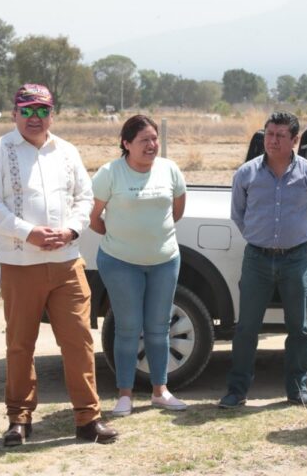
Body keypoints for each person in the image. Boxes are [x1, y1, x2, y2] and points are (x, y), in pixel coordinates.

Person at [0, 84, 117, 446]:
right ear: (14, 113)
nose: (35, 118)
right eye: (27, 110)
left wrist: (71, 230)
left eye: (42, 111)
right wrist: (28, 233)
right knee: (20, 344)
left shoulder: (67, 151)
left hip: (67, 263)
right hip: (19, 263)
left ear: (52, 114)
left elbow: (84, 198)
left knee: (79, 342)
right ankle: (19, 419)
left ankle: (88, 418)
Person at [218, 111, 307, 410]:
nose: (273, 140)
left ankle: (298, 389)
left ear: (295, 140)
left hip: (296, 259)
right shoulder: (247, 174)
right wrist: (259, 237)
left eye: (281, 135)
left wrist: (297, 237)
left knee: (298, 327)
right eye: (269, 134)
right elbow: (238, 214)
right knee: (247, 328)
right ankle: (237, 390)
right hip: (256, 258)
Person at [89, 114, 188, 416]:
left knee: (159, 328)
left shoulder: (170, 170)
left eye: (155, 139)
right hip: (120, 263)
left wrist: (152, 237)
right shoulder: (110, 173)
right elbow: (94, 218)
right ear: (126, 143)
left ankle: (160, 391)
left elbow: (178, 210)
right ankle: (124, 395)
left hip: (164, 261)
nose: (152, 145)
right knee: (128, 328)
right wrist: (121, 237)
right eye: (144, 140)